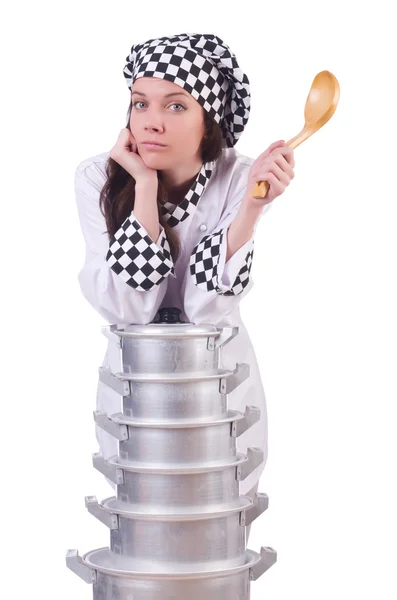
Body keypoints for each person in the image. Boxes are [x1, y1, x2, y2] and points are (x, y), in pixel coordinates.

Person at [74, 32, 295, 543]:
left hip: (219, 375)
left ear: (208, 120)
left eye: (176, 105)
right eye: (140, 103)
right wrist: (145, 190)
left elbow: (204, 312)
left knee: (217, 524)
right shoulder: (96, 178)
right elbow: (129, 307)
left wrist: (252, 209)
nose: (151, 120)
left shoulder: (236, 178)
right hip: (134, 380)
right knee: (141, 522)